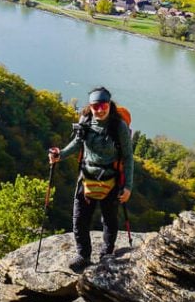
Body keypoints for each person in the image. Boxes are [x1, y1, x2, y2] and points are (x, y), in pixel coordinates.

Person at [48, 86, 134, 272]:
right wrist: (60, 155)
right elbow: (77, 143)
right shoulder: (85, 121)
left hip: (110, 180)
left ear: (109, 104)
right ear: (91, 106)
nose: (100, 109)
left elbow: (128, 157)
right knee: (79, 220)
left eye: (103, 105)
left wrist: (127, 186)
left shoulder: (119, 127)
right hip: (86, 178)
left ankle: (106, 255)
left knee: (109, 220)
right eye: (96, 106)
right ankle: (83, 255)